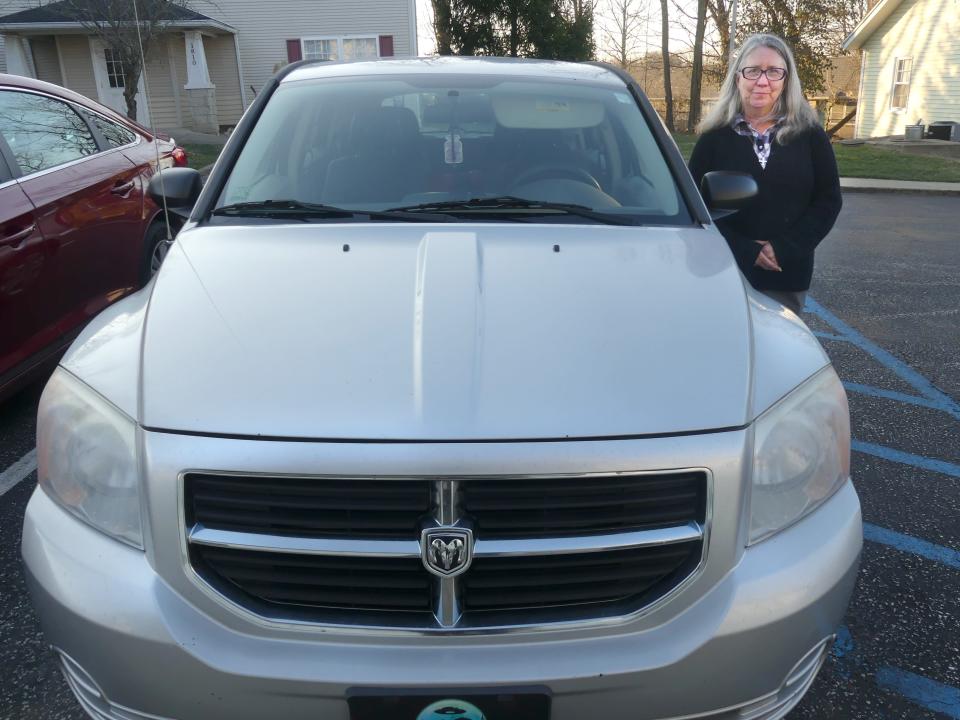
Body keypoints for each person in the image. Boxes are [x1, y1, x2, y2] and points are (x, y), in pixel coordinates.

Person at [688, 33, 842, 315]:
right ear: (738, 78)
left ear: (786, 80)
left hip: (787, 273)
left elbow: (828, 201)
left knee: (782, 355)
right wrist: (746, 250)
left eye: (774, 71)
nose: (762, 81)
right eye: (753, 70)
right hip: (726, 270)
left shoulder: (810, 135)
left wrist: (784, 248)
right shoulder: (714, 138)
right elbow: (694, 205)